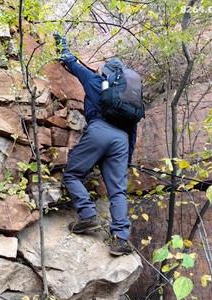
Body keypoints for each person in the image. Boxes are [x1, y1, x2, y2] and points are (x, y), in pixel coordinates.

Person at [54, 34, 141, 256]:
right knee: (118, 191)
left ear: (106, 73)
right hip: (121, 140)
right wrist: (127, 159)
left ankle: (87, 215)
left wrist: (61, 43)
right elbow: (133, 130)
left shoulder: (94, 81)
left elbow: (70, 62)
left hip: (99, 130)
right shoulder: (127, 101)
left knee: (72, 175)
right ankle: (120, 239)